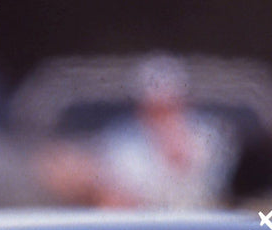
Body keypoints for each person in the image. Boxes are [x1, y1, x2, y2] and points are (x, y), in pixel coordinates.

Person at [92, 56, 236, 210]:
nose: (164, 116)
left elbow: (217, 189)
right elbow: (119, 194)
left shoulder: (209, 136)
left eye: (171, 104)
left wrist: (180, 152)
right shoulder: (121, 140)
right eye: (157, 108)